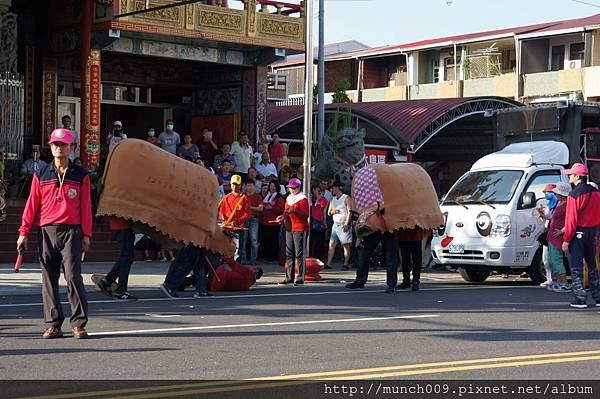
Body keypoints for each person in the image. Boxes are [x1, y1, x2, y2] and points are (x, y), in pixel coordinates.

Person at [18, 128, 92, 339]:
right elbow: (32, 205)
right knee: (49, 278)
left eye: (63, 144)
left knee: (73, 276)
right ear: (50, 147)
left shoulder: (81, 175)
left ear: (72, 148)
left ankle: (78, 323)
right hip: (46, 231)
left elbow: (86, 206)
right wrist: (23, 231)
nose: (59, 148)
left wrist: (86, 234)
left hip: (72, 231)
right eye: (55, 144)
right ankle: (53, 324)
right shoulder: (41, 173)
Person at [561, 163, 600, 308]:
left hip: (578, 233)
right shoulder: (596, 192)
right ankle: (598, 297)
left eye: (571, 174)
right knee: (592, 266)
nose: (569, 176)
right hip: (592, 233)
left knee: (576, 266)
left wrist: (566, 240)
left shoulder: (573, 195)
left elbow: (571, 220)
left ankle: (580, 298)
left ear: (577, 176)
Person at [276, 178, 309, 285]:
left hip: (300, 227)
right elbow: (286, 212)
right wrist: (281, 217)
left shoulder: (303, 199)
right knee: (289, 253)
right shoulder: (289, 198)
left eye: (293, 188)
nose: (291, 190)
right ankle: (289, 276)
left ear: (298, 188)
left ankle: (300, 277)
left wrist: (295, 210)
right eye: (290, 188)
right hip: (289, 227)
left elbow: (305, 215)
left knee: (299, 253)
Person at [95, 217, 136, 300]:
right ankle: (120, 290)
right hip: (123, 226)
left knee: (126, 257)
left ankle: (107, 281)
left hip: (121, 226)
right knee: (126, 257)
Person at [546, 183, 572, 293]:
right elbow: (553, 217)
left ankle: (564, 283)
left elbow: (571, 221)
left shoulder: (568, 205)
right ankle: (558, 282)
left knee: (557, 260)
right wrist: (543, 215)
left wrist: (562, 231)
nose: (555, 194)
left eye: (557, 193)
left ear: (562, 194)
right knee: (552, 260)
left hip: (558, 237)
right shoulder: (560, 203)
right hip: (552, 236)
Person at [218, 174, 252, 258]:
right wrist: (222, 217)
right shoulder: (226, 198)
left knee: (237, 252)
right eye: (233, 184)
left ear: (240, 185)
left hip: (238, 229)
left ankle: (236, 269)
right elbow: (221, 212)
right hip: (226, 229)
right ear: (230, 184)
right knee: (225, 250)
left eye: (237, 184)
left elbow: (247, 214)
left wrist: (237, 222)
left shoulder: (244, 198)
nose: (235, 186)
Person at [326, 181, 353, 270]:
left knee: (345, 244)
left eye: (333, 188)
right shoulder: (333, 200)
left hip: (343, 224)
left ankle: (345, 263)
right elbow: (329, 212)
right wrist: (334, 211)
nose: (332, 190)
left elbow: (349, 211)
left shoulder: (346, 198)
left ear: (338, 188)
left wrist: (346, 223)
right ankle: (329, 263)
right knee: (332, 244)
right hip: (335, 224)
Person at [397, 227, 430, 291]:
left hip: (408, 234)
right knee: (413, 259)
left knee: (408, 259)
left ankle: (410, 281)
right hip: (411, 235)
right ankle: (413, 281)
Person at [260, 180, 285, 261]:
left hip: (274, 222)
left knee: (273, 240)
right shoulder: (266, 196)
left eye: (274, 186)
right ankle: (266, 255)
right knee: (266, 240)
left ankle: (273, 256)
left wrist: (272, 208)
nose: (272, 188)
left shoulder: (279, 197)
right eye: (271, 186)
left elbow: (281, 209)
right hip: (265, 221)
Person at [239, 179, 262, 265]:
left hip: (254, 219)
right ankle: (243, 260)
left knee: (254, 240)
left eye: (251, 185)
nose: (249, 187)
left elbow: (261, 208)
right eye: (247, 185)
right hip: (244, 219)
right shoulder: (242, 196)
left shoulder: (258, 196)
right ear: (245, 187)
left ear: (254, 186)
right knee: (243, 240)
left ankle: (253, 260)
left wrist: (249, 207)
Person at [310, 185, 328, 263]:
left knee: (319, 242)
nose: (318, 192)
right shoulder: (310, 199)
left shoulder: (323, 199)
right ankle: (311, 256)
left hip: (320, 223)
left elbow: (322, 205)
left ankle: (320, 258)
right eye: (316, 190)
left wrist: (318, 196)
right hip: (311, 223)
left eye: (319, 191)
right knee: (311, 241)